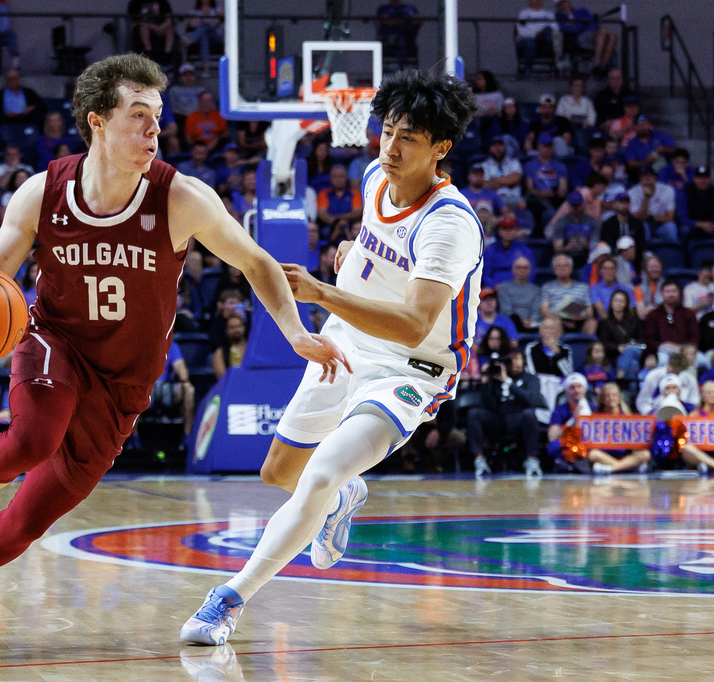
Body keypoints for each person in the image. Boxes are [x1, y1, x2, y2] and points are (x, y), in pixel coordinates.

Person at [0, 53, 345, 649]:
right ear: (97, 121)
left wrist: (295, 331)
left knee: (26, 522)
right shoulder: (43, 192)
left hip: (124, 382)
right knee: (33, 439)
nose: (154, 130)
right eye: (139, 115)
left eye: (158, 117)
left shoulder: (181, 199)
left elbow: (258, 262)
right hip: (55, 342)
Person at [181, 69, 480, 644]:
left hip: (408, 370)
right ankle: (344, 497)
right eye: (388, 130)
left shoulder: (449, 225)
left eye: (408, 138)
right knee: (279, 473)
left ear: (441, 148)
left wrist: (321, 290)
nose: (390, 147)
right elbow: (377, 256)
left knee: (316, 473)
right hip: (347, 339)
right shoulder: (374, 178)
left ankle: (227, 601)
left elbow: (418, 324)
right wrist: (354, 260)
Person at [467, 351, 543, 477]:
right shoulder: (495, 378)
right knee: (474, 413)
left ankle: (532, 460)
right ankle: (479, 460)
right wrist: (486, 382)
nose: (514, 361)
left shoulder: (531, 379)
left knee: (529, 414)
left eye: (517, 358)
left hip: (517, 418)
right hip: (497, 419)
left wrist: (508, 381)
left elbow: (531, 400)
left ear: (523, 361)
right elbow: (488, 405)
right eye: (511, 359)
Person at [644, 281, 699, 365]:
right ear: (662, 294)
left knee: (702, 360)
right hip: (663, 351)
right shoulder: (653, 315)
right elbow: (650, 339)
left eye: (674, 291)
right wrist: (663, 346)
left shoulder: (688, 314)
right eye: (668, 292)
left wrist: (685, 348)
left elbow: (695, 337)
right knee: (662, 360)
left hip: (685, 350)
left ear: (679, 293)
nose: (671, 294)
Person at [540, 253, 595, 333]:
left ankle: (589, 345)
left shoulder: (583, 287)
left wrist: (581, 316)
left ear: (571, 268)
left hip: (579, 320)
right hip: (558, 320)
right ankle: (556, 345)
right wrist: (560, 319)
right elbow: (544, 310)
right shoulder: (547, 287)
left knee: (592, 322)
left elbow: (590, 311)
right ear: (554, 269)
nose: (562, 268)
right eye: (559, 266)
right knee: (554, 322)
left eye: (565, 265)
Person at [596, 289, 644, 379]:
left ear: (626, 304)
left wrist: (629, 346)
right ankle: (631, 388)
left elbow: (641, 338)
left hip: (635, 350)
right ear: (611, 303)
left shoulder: (635, 321)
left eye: (621, 301)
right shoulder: (605, 323)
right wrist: (618, 347)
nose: (618, 303)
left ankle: (620, 373)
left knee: (629, 350)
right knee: (633, 363)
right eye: (616, 301)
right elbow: (603, 343)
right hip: (616, 354)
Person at [629, 165, 677, 242]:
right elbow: (637, 218)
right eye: (644, 175)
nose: (647, 178)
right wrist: (646, 198)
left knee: (671, 227)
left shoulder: (667, 190)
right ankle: (645, 252)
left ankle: (672, 251)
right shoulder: (632, 192)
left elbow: (670, 217)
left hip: (661, 224)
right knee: (643, 227)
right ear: (640, 178)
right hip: (643, 224)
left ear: (655, 177)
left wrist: (650, 218)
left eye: (650, 175)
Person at [482, 219, 534, 289]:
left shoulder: (525, 250)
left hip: (519, 288)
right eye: (505, 229)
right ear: (499, 231)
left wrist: (520, 286)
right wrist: (495, 286)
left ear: (516, 231)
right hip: (495, 290)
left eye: (511, 229)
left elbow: (531, 274)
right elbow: (485, 276)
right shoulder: (490, 251)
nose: (508, 232)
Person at [515, 0, 560, 78]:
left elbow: (556, 28)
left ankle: (559, 68)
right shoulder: (524, 13)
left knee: (556, 37)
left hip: (544, 41)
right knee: (530, 43)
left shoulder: (548, 14)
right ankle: (528, 70)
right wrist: (535, 34)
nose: (537, 1)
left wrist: (542, 32)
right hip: (527, 39)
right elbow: (521, 30)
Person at [498, 256, 541, 331]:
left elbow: (536, 310)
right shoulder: (504, 288)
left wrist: (531, 321)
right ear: (513, 270)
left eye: (525, 268)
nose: (522, 270)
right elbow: (506, 311)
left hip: (532, 324)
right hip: (511, 323)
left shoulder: (535, 289)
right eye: (519, 268)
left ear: (529, 271)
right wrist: (521, 321)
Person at [376, 0, 422, 69]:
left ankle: (404, 69)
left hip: (407, 38)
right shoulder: (384, 8)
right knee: (400, 40)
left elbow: (418, 21)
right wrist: (403, 21)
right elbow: (385, 21)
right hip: (389, 39)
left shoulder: (409, 8)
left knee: (402, 40)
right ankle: (403, 69)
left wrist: (407, 22)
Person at [184, 92, 229, 156]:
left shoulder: (219, 115)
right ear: (199, 102)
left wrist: (217, 138)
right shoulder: (191, 116)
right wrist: (196, 148)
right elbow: (188, 137)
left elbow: (226, 133)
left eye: (209, 101)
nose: (206, 103)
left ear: (212, 103)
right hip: (197, 148)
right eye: (204, 100)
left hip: (216, 147)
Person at [589, 256, 632, 320]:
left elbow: (631, 309)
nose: (609, 271)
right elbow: (601, 311)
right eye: (605, 269)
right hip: (605, 323)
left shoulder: (626, 289)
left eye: (612, 269)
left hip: (624, 321)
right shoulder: (594, 289)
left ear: (616, 271)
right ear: (601, 271)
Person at [682, 166, 714, 241]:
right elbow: (682, 217)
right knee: (684, 229)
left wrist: (712, 225)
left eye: (705, 178)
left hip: (710, 225)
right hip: (692, 225)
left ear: (709, 179)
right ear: (694, 179)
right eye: (699, 178)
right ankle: (684, 252)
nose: (702, 181)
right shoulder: (685, 192)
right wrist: (700, 224)